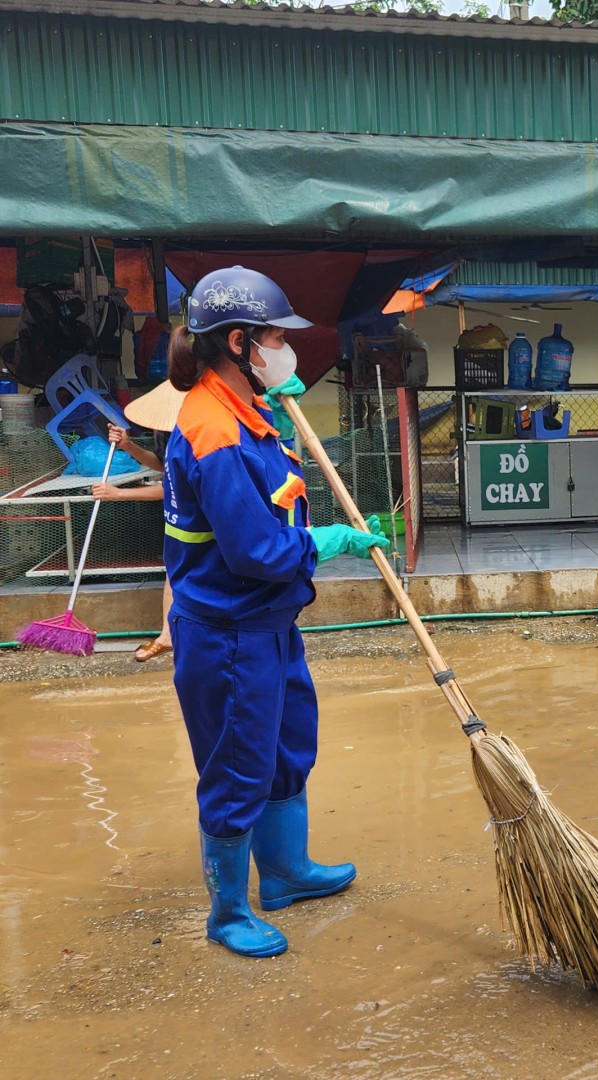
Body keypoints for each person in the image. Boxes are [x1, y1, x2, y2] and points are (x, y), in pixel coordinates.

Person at [164, 266, 389, 958]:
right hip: (229, 634)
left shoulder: (245, 413)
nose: (283, 349)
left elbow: (276, 489)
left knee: (287, 751)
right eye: (273, 338)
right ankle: (229, 912)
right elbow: (257, 550)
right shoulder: (213, 432)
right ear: (238, 342)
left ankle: (286, 874)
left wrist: (278, 401)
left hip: (269, 625)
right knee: (236, 769)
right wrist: (332, 540)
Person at [92, 419, 172, 661]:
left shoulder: (194, 429)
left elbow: (176, 486)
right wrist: (128, 446)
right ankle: (168, 636)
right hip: (181, 519)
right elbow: (163, 466)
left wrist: (119, 493)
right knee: (175, 571)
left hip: (205, 514)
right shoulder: (165, 427)